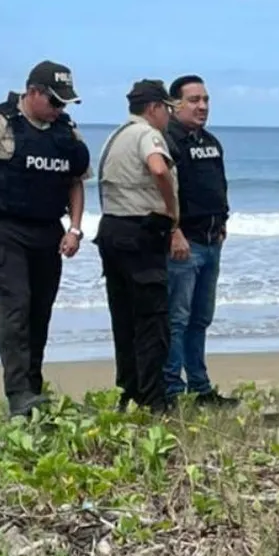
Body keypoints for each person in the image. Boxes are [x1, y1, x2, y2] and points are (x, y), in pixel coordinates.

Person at [0, 60, 91, 417]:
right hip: (4, 229)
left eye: (64, 103)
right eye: (55, 101)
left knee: (39, 311)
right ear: (32, 92)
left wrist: (75, 228)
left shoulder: (65, 131)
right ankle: (17, 393)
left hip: (48, 231)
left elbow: (75, 180)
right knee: (17, 305)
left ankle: (32, 387)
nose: (59, 109)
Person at [95, 79, 180, 414]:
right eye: (167, 109)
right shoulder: (148, 134)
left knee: (124, 318)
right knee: (152, 320)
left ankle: (128, 391)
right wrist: (171, 208)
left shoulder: (115, 136)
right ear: (154, 108)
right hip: (140, 231)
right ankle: (153, 398)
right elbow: (158, 167)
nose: (169, 117)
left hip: (112, 229)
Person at [163, 75, 237, 408]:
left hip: (212, 239)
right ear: (174, 104)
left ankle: (200, 386)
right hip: (184, 243)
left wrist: (223, 220)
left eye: (205, 99)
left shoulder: (210, 141)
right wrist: (173, 230)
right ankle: (172, 388)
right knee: (177, 319)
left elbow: (218, 184)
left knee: (200, 318)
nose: (202, 106)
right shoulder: (166, 140)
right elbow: (163, 192)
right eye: (194, 100)